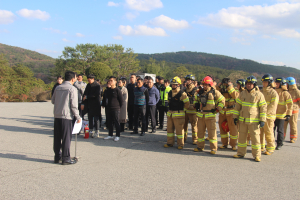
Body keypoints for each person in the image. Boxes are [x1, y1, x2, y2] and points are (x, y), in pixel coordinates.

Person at [233, 75, 267, 162]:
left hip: (254, 122)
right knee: (241, 138)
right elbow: (237, 106)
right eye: (247, 83)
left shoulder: (259, 95)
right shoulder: (242, 94)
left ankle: (257, 155)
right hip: (243, 121)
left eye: (251, 84)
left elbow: (263, 108)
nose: (248, 85)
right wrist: (235, 117)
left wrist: (262, 120)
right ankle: (240, 153)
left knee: (255, 139)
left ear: (254, 84)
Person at [52, 71, 80, 165]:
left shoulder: (57, 87)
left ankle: (57, 157)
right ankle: (66, 158)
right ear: (73, 79)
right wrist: (78, 117)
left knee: (57, 137)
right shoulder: (72, 89)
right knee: (66, 138)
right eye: (75, 78)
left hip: (57, 115)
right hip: (67, 116)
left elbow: (53, 101)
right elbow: (74, 105)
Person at [194, 76, 225, 154]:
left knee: (212, 133)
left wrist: (218, 109)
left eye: (206, 84)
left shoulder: (215, 92)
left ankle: (213, 148)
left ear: (210, 85)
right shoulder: (199, 92)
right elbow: (195, 100)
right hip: (201, 116)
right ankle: (200, 147)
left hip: (210, 116)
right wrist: (196, 105)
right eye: (204, 84)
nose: (204, 86)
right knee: (200, 133)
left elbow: (222, 101)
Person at [164, 76, 190, 149]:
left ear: (178, 84)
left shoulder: (182, 93)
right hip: (170, 115)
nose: (173, 85)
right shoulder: (170, 93)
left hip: (179, 115)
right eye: (172, 84)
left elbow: (187, 103)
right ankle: (170, 143)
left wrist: (182, 110)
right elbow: (169, 102)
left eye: (175, 84)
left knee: (179, 131)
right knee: (169, 130)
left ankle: (180, 144)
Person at [216, 78, 239, 151]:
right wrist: (219, 86)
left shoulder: (234, 89)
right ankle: (224, 144)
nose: (225, 85)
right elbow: (215, 93)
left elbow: (235, 96)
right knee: (222, 129)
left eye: (226, 83)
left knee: (233, 130)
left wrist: (229, 86)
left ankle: (233, 144)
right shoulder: (221, 90)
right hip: (223, 112)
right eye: (224, 84)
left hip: (231, 112)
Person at [260, 74, 278, 155]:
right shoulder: (261, 91)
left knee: (268, 132)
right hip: (260, 116)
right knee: (260, 133)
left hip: (269, 116)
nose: (264, 83)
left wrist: (264, 114)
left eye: (265, 82)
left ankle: (270, 147)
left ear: (270, 82)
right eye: (263, 82)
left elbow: (273, 106)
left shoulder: (273, 93)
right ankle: (261, 147)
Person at [102, 76, 123, 141]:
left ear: (115, 82)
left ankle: (117, 135)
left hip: (116, 109)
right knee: (109, 122)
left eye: (111, 81)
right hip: (108, 108)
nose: (110, 82)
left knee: (116, 122)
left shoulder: (117, 90)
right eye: (109, 81)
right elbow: (105, 98)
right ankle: (110, 135)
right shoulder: (108, 90)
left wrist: (118, 107)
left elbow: (121, 100)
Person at [274, 77, 293, 150]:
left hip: (281, 115)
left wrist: (288, 114)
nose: (276, 84)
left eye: (277, 83)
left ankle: (279, 143)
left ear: (281, 84)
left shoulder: (285, 93)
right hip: (273, 115)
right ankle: (271, 143)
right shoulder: (274, 91)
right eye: (275, 83)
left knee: (280, 130)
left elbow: (290, 105)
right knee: (271, 130)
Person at [183, 74, 198, 145]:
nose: (187, 81)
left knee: (194, 125)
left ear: (192, 81)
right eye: (187, 80)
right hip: (185, 110)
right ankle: (183, 138)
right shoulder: (184, 89)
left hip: (193, 111)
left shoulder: (196, 90)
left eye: (188, 80)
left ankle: (195, 139)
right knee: (184, 125)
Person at [284, 77, 300, 143]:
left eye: (286, 83)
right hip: (285, 111)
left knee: (293, 125)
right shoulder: (285, 91)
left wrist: (296, 108)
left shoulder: (297, 91)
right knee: (283, 125)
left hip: (293, 112)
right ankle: (282, 137)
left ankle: (293, 138)